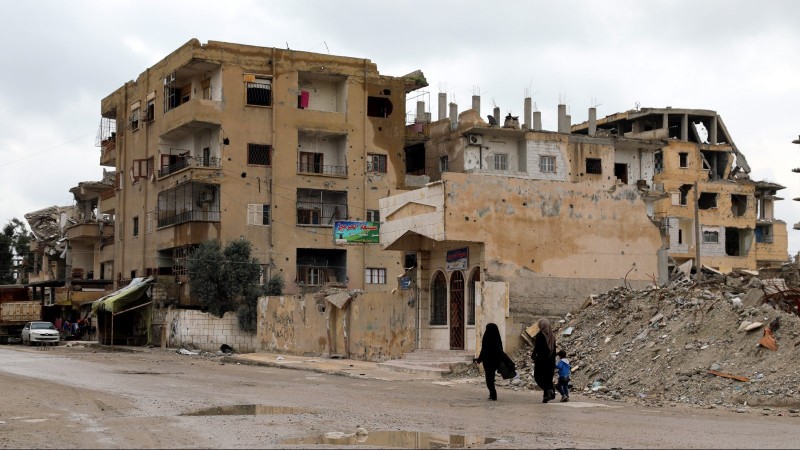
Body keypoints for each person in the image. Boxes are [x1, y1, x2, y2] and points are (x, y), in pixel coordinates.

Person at [474, 323, 514, 401]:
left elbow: (484, 350)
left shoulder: (486, 337)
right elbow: (500, 350)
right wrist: (508, 360)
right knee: (491, 378)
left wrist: (479, 359)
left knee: (489, 379)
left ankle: (493, 394)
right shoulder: (497, 338)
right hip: (495, 361)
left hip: (488, 362)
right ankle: (492, 394)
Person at [532, 318, 557, 403]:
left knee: (538, 377)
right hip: (551, 362)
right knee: (547, 379)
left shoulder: (540, 335)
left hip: (541, 361)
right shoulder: (552, 336)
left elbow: (537, 348)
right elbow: (554, 350)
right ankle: (546, 395)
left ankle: (549, 390)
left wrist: (533, 356)